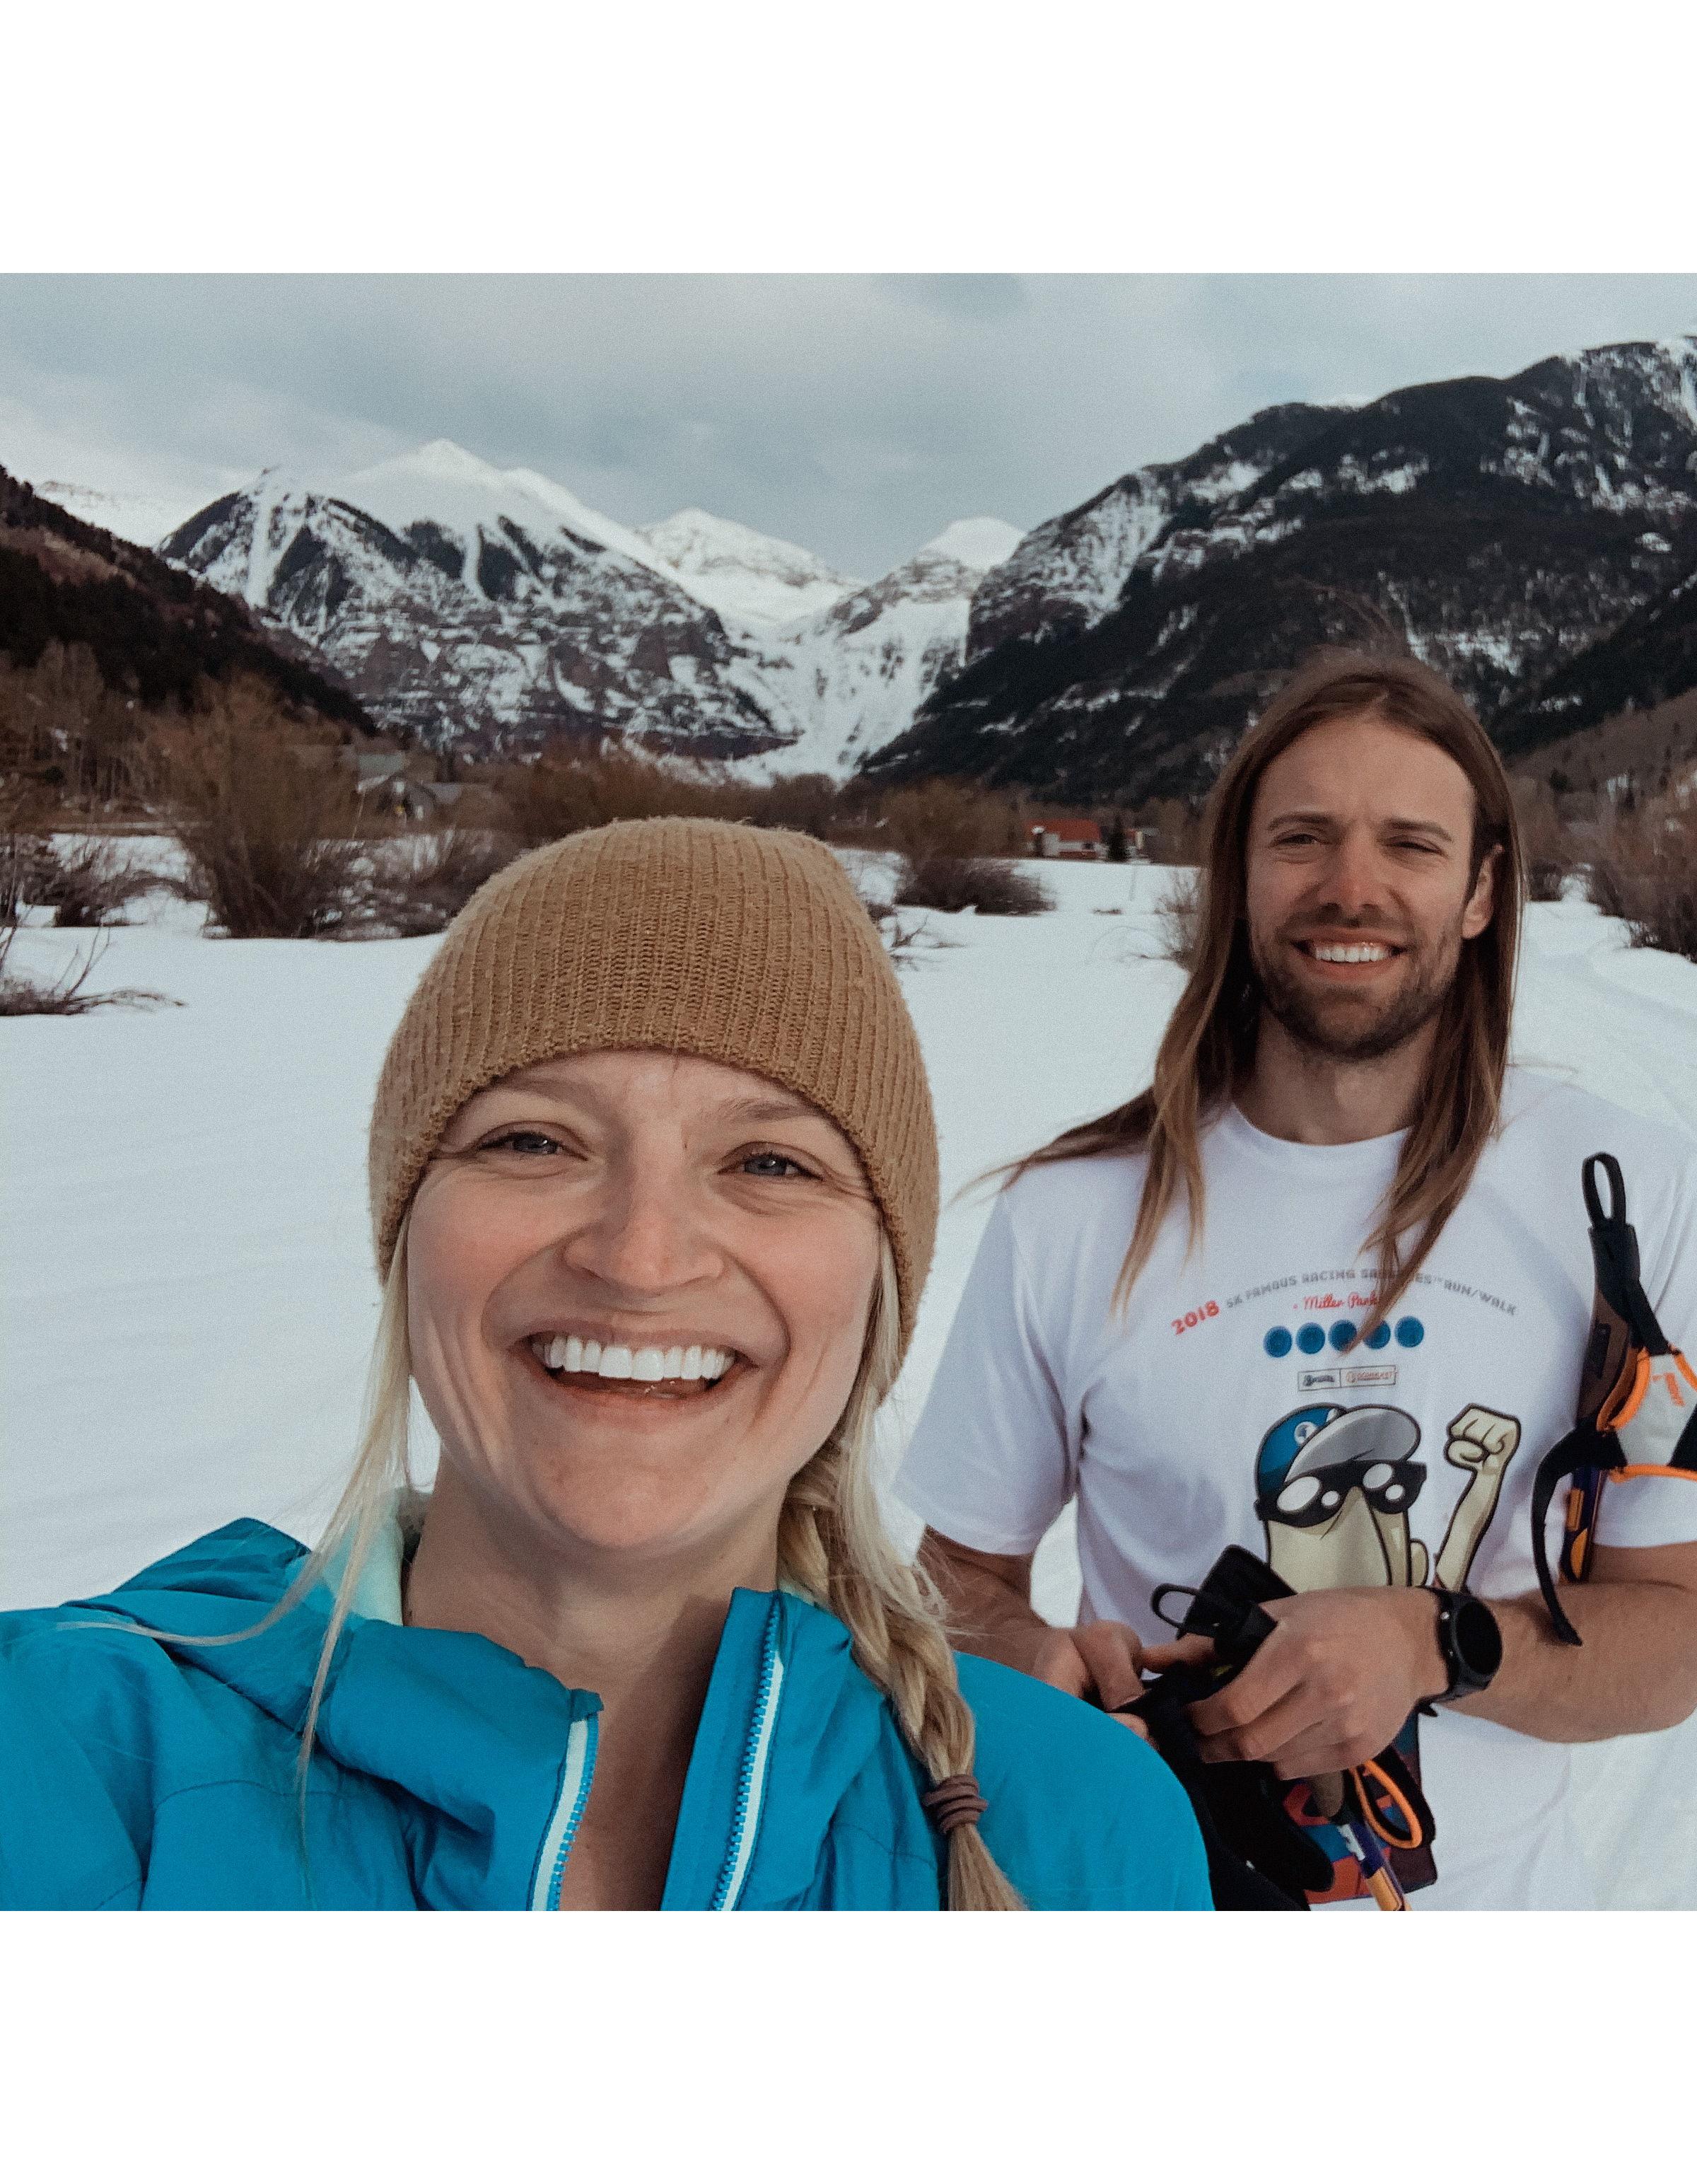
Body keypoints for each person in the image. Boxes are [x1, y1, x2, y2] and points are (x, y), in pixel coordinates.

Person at [0, 818, 1208, 1911]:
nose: (640, 1257)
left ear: (877, 1284)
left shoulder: (1083, 1834)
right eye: (536, 1140)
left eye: (770, 1164)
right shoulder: (74, 1759)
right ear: (407, 1237)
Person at [901, 650, 1697, 1910]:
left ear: (1479, 892)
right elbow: (951, 1580)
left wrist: (1435, 1645)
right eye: (1302, 838)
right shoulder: (1075, 1215)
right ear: (1236, 882)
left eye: (1410, 845)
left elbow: (1667, 1646)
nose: (1351, 890)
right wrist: (1032, 1659)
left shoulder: (1624, 1198)